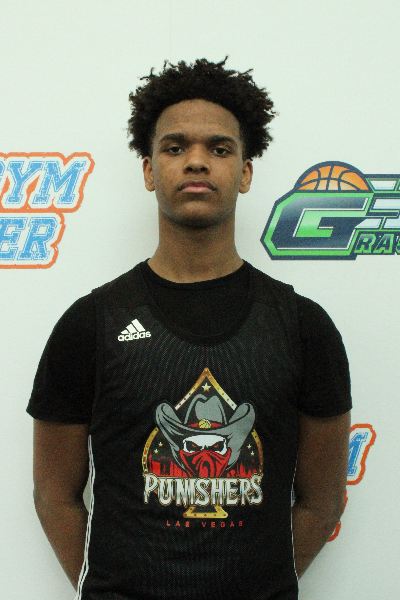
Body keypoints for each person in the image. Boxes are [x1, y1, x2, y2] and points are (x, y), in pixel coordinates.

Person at [28, 58, 351, 600]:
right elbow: (53, 495)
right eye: (175, 147)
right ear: (149, 170)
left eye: (219, 149)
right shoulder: (90, 324)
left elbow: (322, 501)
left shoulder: (303, 327)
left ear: (245, 173)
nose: (196, 161)